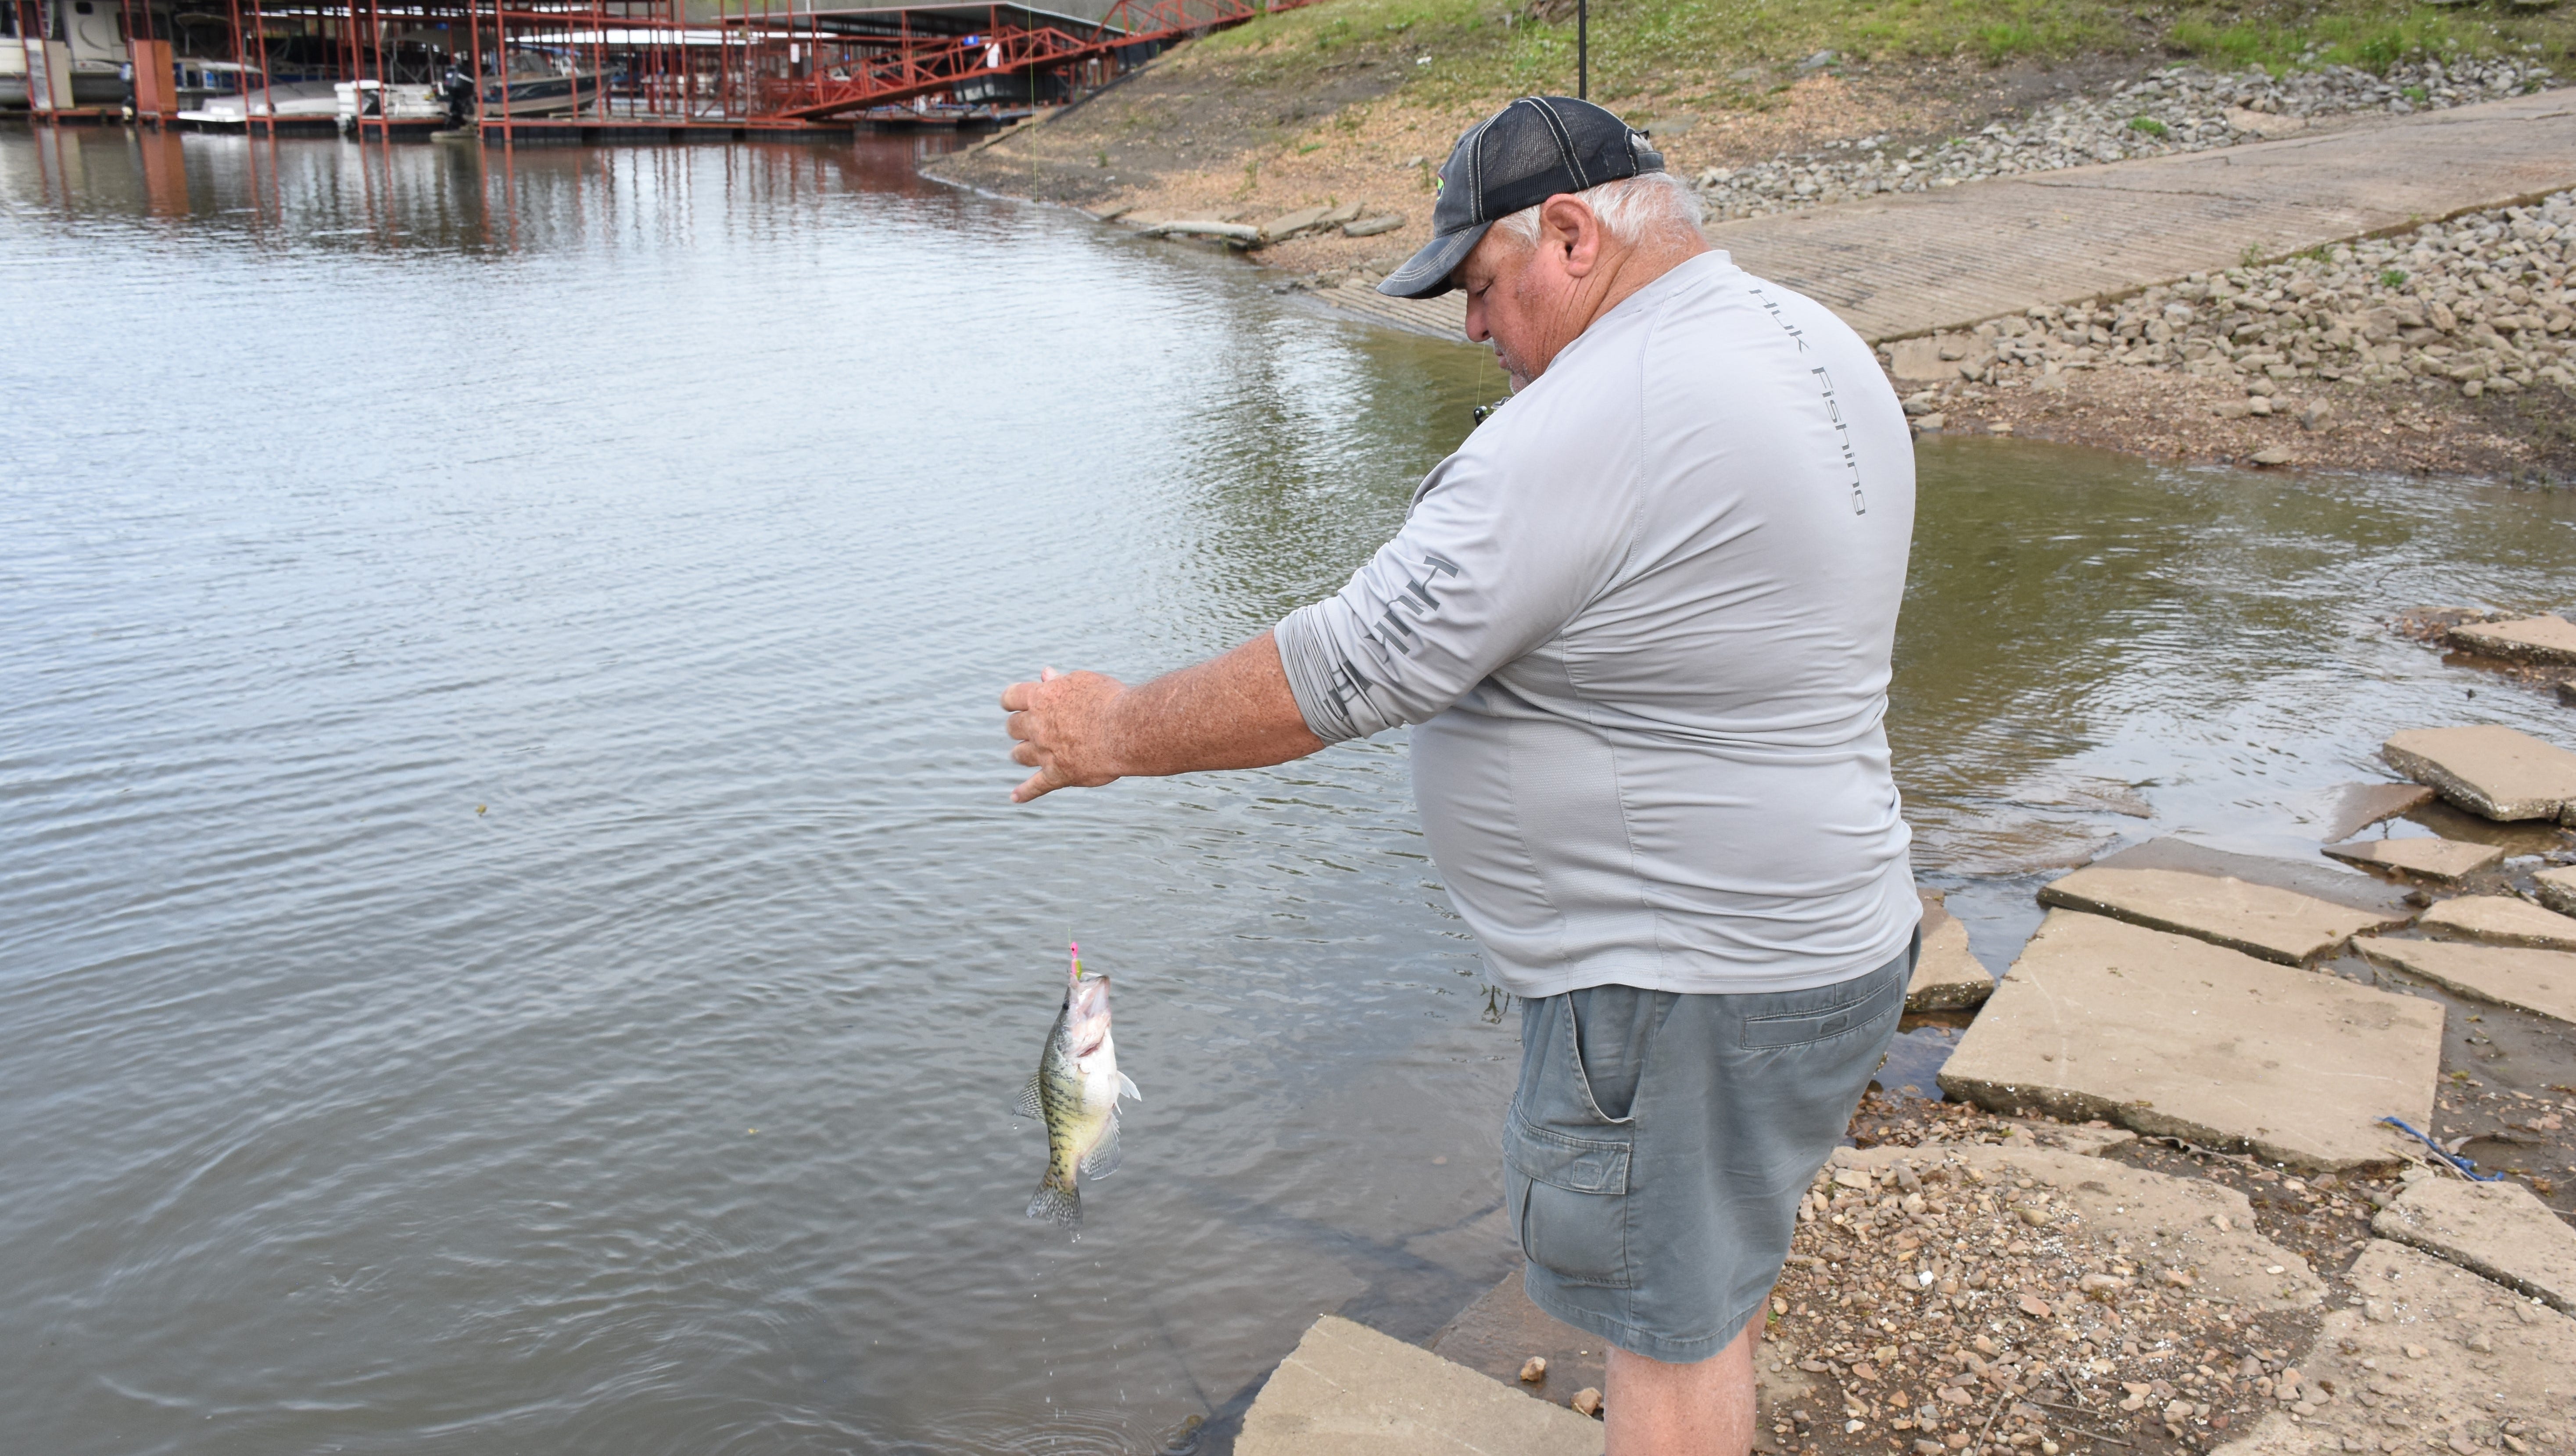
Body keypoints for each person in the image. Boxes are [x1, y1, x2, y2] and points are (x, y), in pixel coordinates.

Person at [1000, 94, 1917, 1455]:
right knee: (1704, 1294)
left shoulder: (1603, 414)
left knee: (1660, 1351)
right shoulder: (1806, 338)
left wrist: (1111, 732)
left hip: (1680, 987)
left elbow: (1344, 670)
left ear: (1567, 237)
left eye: (1482, 290)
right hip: (1823, 939)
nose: (1477, 330)